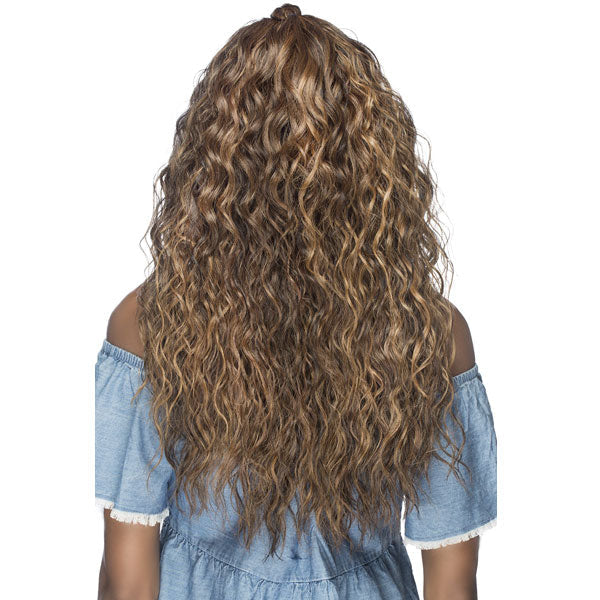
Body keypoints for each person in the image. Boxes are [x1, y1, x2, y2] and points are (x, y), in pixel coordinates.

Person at [95, 4, 497, 599]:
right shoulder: (429, 331)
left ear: (215, 160)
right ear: (369, 161)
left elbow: (128, 580)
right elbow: (454, 582)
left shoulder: (151, 322)